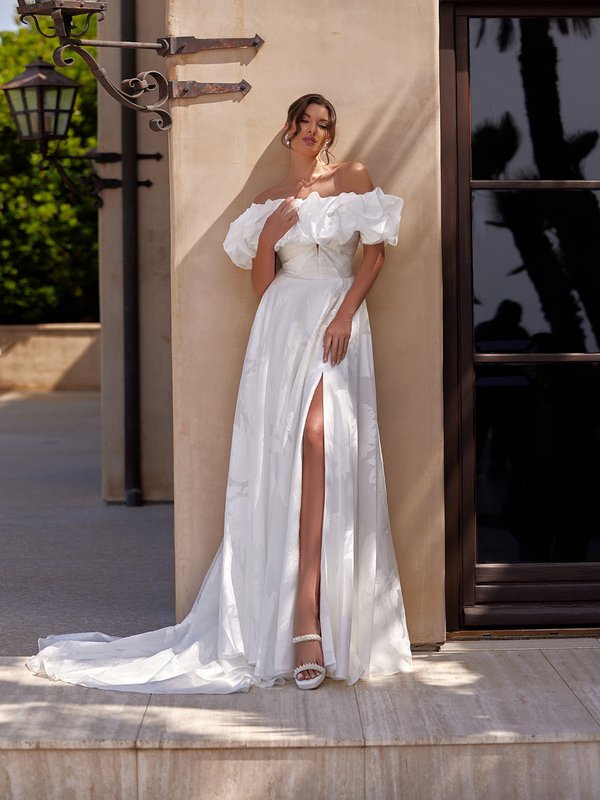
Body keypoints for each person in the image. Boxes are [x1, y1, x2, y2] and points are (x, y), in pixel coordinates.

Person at [25, 93, 412, 693]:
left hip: (336, 320)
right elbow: (263, 283)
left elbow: (374, 255)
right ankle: (298, 621)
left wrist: (344, 315)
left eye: (324, 125)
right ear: (288, 130)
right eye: (305, 123)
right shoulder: (263, 205)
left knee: (321, 439)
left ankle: (314, 618)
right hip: (281, 326)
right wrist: (271, 236)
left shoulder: (353, 178)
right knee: (286, 456)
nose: (314, 132)